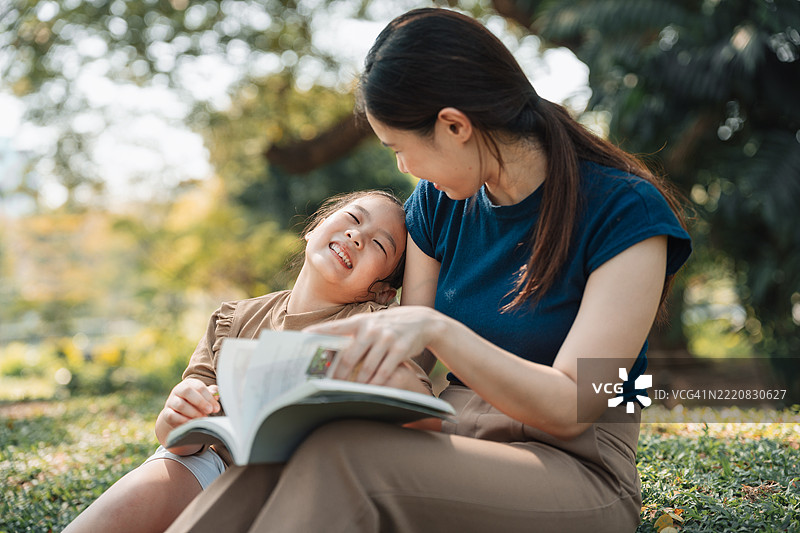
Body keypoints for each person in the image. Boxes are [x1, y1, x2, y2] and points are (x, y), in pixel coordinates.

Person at [164, 8, 692, 533]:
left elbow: (574, 405)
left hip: (579, 464)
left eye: (400, 148)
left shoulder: (628, 213)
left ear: (454, 125)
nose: (403, 169)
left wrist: (440, 329)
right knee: (279, 461)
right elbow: (406, 362)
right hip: (454, 436)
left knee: (349, 460)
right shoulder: (439, 205)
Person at [63, 190, 426, 533]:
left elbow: (419, 407)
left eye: (380, 244)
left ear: (382, 291)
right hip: (212, 464)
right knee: (151, 484)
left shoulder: (370, 325)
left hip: (303, 484)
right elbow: (179, 441)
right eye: (352, 218)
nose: (357, 236)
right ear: (313, 229)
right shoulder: (233, 318)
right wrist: (179, 414)